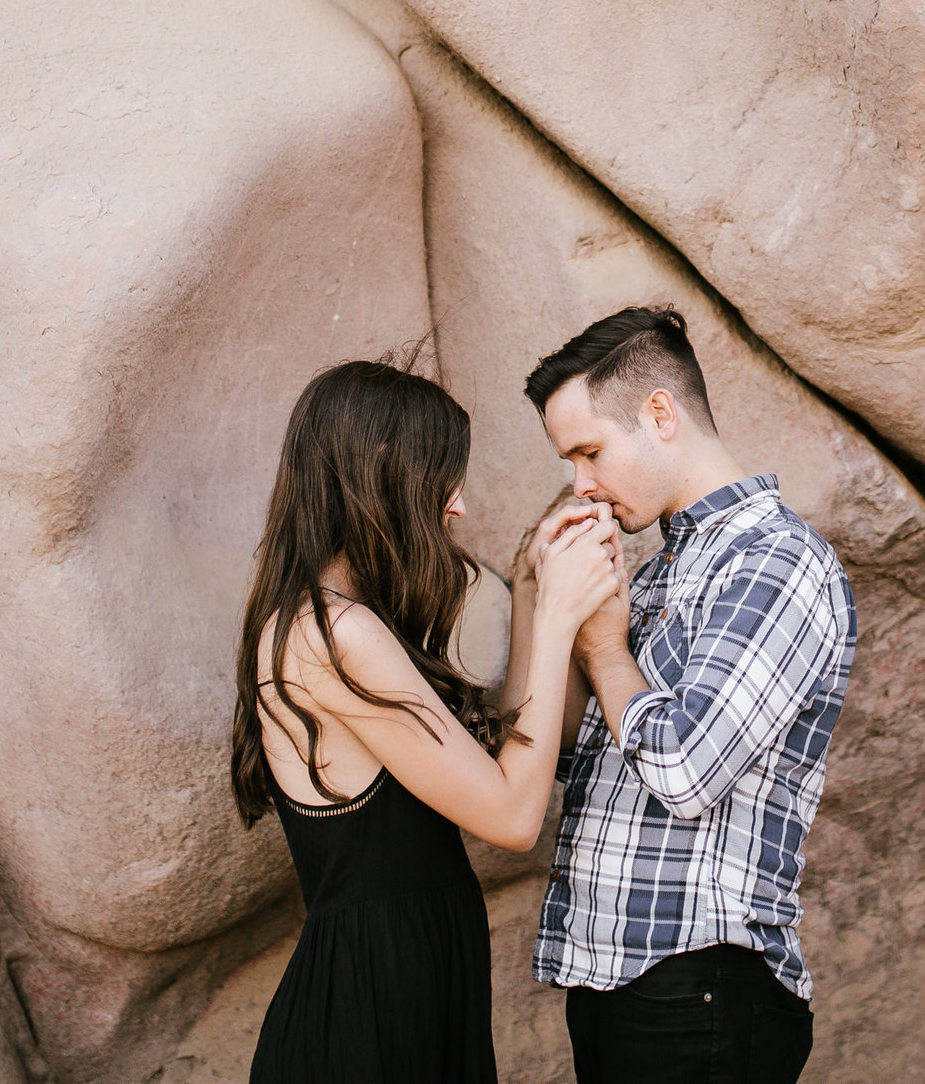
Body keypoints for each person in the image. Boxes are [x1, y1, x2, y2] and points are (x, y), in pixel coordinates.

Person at [230, 358, 624, 1084]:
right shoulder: (331, 635)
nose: (459, 505)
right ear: (384, 473)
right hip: (366, 1018)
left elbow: (499, 767)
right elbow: (511, 814)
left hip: (401, 996)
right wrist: (568, 617)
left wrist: (534, 593)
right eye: (443, 475)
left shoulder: (333, 622)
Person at [519, 307, 859, 1084]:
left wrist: (604, 644)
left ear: (660, 414)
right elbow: (581, 759)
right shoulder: (663, 569)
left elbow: (685, 771)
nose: (581, 482)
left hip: (700, 988)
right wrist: (550, 602)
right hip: (622, 984)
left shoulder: (777, 561)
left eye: (590, 450)